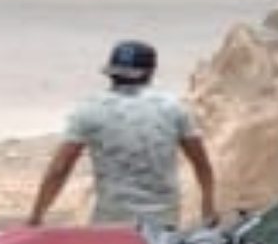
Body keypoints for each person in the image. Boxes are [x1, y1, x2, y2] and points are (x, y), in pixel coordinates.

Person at [27, 40, 219, 232]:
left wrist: (37, 215)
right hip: (162, 222)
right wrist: (208, 204)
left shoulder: (89, 109)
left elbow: (60, 168)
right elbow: (201, 163)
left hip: (111, 222)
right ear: (150, 72)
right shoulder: (173, 108)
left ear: (111, 72)